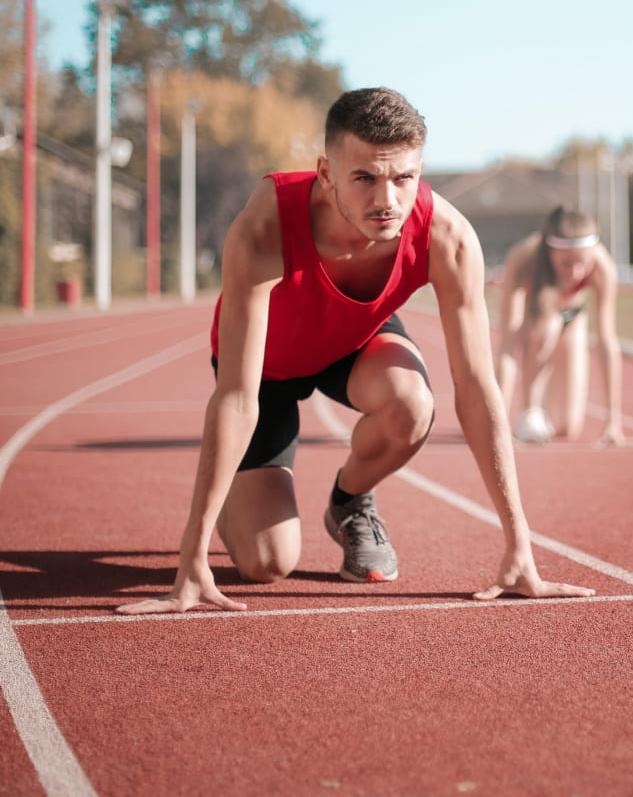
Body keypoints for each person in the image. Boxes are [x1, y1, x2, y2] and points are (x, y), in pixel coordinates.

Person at [117, 88, 594, 614]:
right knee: (266, 564)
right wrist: (192, 559)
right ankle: (235, 488)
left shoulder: (448, 237)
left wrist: (519, 548)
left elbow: (478, 388)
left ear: (419, 170)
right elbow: (235, 395)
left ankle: (349, 503)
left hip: (354, 343)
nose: (386, 200)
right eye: (364, 177)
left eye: (403, 178)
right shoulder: (265, 224)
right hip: (266, 370)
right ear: (326, 173)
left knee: (413, 404)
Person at [495, 206, 633, 446]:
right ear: (550, 254)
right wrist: (497, 426)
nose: (576, 272)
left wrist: (613, 422)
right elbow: (507, 346)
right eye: (566, 264)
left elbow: (607, 343)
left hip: (573, 318)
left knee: (566, 427)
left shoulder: (603, 266)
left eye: (583, 263)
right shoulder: (522, 259)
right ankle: (530, 410)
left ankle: (549, 403)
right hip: (536, 320)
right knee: (549, 325)